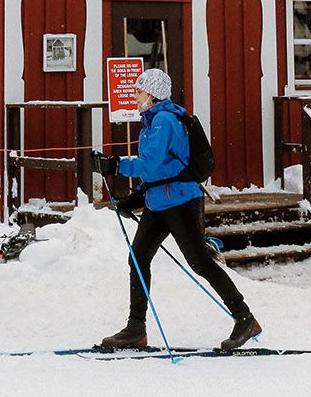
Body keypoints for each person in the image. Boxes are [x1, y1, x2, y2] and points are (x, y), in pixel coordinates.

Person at [92, 67, 262, 353]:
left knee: (200, 262)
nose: (135, 96)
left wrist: (115, 165)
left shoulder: (165, 122)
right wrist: (136, 198)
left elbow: (150, 165)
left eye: (139, 91)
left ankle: (244, 318)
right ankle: (136, 328)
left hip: (181, 201)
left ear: (154, 94)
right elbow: (160, 170)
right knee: (138, 257)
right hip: (159, 202)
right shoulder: (152, 121)